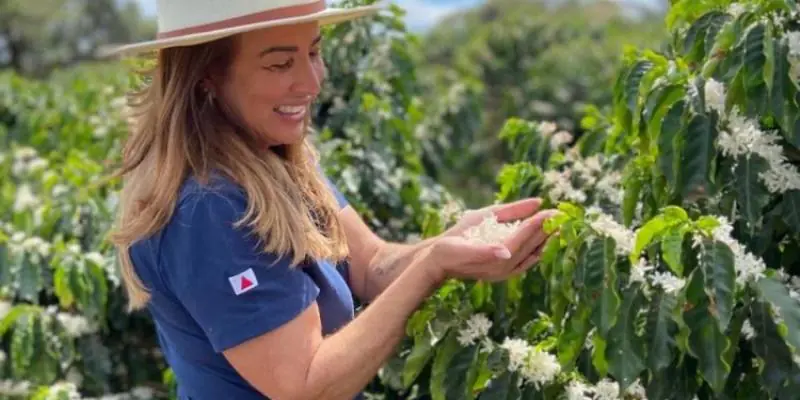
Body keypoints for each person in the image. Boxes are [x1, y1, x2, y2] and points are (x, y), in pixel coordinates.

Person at [103, 1, 558, 399]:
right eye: (280, 64)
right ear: (206, 79)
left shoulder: (277, 161)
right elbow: (304, 385)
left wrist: (458, 242)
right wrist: (432, 265)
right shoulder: (208, 209)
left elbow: (371, 265)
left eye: (314, 52)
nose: (311, 81)